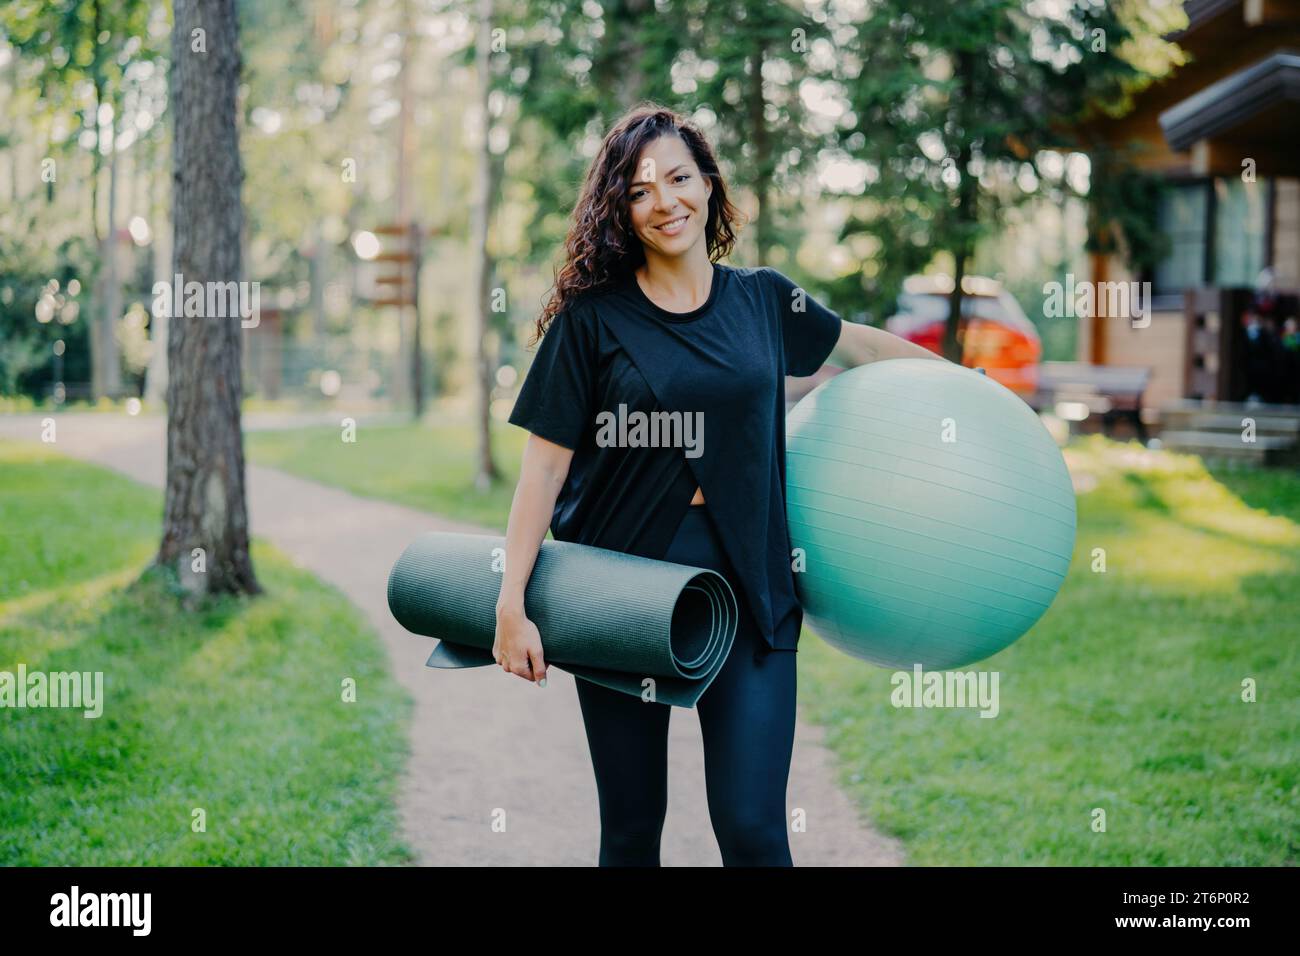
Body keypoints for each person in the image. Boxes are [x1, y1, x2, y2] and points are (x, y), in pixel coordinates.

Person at [494, 104, 950, 867]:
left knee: (753, 830)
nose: (664, 202)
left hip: (750, 582)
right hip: (621, 586)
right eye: (640, 191)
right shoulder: (591, 322)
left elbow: (860, 344)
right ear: (620, 208)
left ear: (707, 184)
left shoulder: (765, 300)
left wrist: (971, 393)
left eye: (678, 178)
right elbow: (543, 468)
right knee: (633, 829)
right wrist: (512, 605)